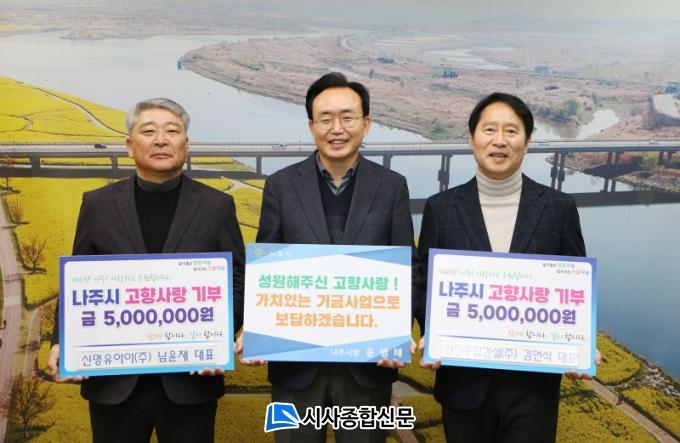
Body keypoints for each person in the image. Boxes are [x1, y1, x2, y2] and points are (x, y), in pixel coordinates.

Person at [47, 98, 245, 443]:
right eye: (149, 131)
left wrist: (216, 338)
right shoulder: (97, 204)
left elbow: (238, 280)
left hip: (190, 382)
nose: (161, 140)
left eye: (172, 131)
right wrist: (62, 340)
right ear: (129, 146)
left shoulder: (217, 206)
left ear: (186, 144)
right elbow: (79, 282)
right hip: (113, 383)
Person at [244, 72, 416, 442]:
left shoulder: (392, 187)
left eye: (347, 117)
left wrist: (398, 337)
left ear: (366, 124)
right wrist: (259, 330)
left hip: (369, 368)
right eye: (325, 119)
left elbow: (407, 269)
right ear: (311, 126)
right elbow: (267, 269)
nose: (336, 128)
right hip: (295, 368)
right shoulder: (281, 185)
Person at [415, 92, 596, 442]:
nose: (499, 140)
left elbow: (575, 288)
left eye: (511, 131)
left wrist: (579, 343)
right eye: (489, 130)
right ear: (471, 139)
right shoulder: (441, 208)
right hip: (463, 384)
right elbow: (425, 283)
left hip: (533, 390)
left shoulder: (558, 208)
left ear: (526, 143)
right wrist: (434, 334)